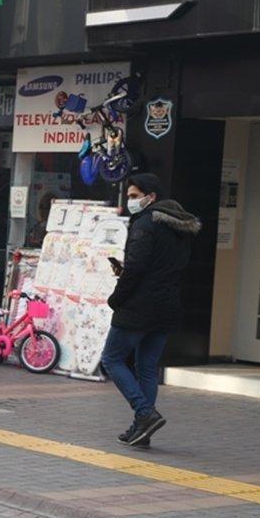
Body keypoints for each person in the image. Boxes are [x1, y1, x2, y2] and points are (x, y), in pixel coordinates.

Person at [102, 173, 201, 448]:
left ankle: (144, 413)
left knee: (112, 359)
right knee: (146, 367)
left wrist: (116, 298)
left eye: (134, 196)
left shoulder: (145, 223)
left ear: (151, 197)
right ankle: (142, 430)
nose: (130, 201)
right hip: (166, 305)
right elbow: (162, 266)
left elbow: (137, 269)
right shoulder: (181, 226)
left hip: (139, 306)